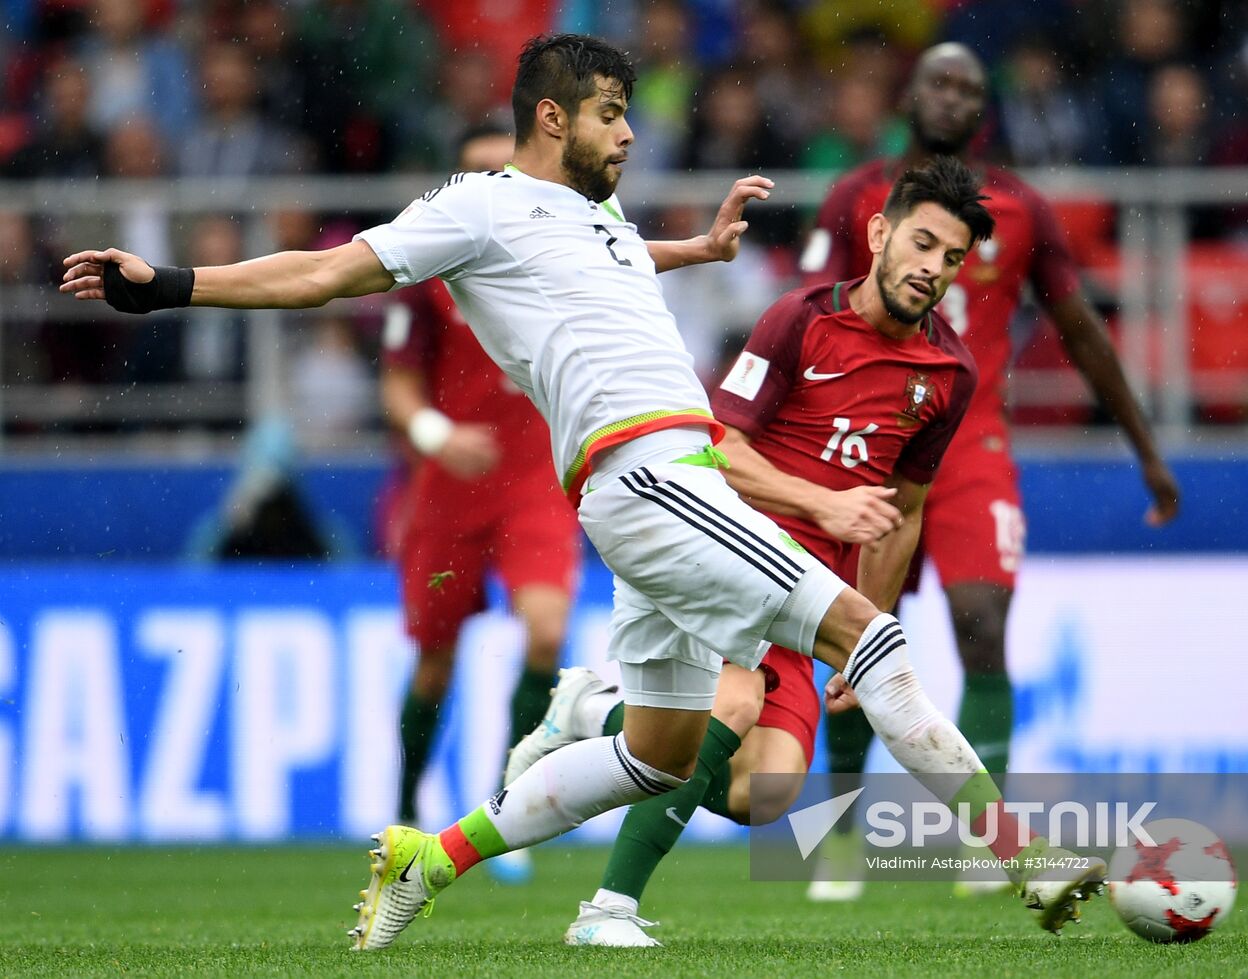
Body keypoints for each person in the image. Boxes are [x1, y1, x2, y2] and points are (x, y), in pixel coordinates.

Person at [61, 34, 1104, 952]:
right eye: (612, 115)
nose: (629, 136)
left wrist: (693, 249)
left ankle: (434, 853)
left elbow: (601, 262)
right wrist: (166, 286)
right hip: (656, 474)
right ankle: (1025, 858)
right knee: (868, 639)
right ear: (552, 117)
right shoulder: (476, 207)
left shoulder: (590, 217)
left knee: (657, 758)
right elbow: (328, 273)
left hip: (643, 489)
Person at [510, 158, 983, 947]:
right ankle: (607, 911)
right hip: (733, 552)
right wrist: (820, 502)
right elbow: (720, 447)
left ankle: (594, 710)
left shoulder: (950, 373)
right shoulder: (798, 320)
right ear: (879, 234)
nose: (932, 268)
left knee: (759, 794)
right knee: (728, 705)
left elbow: (903, 514)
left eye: (952, 257)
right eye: (923, 243)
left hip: (820, 594)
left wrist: (866, 640)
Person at [799, 42, 1180, 900]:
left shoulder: (1023, 207)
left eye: (969, 86)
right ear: (911, 96)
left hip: (971, 443)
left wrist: (1146, 450)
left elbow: (1080, 327)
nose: (952, 96)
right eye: (938, 80)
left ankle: (984, 838)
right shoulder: (855, 197)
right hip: (873, 443)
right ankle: (840, 837)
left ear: (984, 110)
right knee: (857, 634)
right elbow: (810, 314)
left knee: (982, 622)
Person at [380, 123, 579, 886]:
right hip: (452, 484)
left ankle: (508, 808)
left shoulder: (561, 256)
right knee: (434, 661)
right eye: (473, 172)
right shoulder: (428, 266)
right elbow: (397, 381)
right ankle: (402, 806)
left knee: (544, 631)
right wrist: (434, 431)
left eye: (501, 170)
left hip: (535, 475)